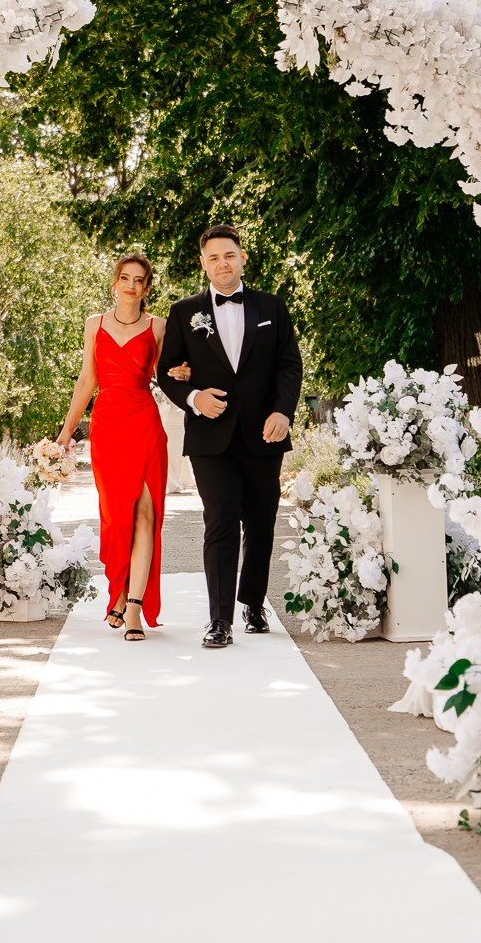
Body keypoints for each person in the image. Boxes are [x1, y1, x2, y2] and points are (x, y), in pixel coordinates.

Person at [156, 225, 305, 649]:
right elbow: (167, 373)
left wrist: (283, 411)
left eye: (230, 255)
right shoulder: (185, 311)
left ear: (242, 258)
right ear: (203, 264)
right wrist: (193, 397)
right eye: (214, 257)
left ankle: (253, 603)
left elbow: (288, 366)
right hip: (210, 437)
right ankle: (218, 620)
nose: (223, 263)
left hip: (264, 432)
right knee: (219, 522)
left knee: (260, 522)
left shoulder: (271, 306)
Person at [56, 254, 169, 640]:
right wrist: (67, 432)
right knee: (116, 518)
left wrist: (185, 372)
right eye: (125, 278)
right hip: (107, 428)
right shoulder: (94, 325)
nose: (131, 285)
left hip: (145, 424)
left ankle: (134, 606)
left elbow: (170, 375)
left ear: (147, 288)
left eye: (139, 280)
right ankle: (118, 592)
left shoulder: (158, 328)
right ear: (114, 283)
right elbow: (87, 380)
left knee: (144, 514)